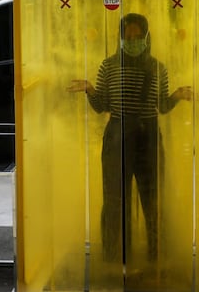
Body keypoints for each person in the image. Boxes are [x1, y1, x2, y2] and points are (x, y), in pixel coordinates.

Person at [67, 13, 192, 264]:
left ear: (147, 37)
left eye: (137, 36)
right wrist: (90, 90)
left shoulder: (157, 67)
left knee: (153, 200)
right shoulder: (109, 65)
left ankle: (156, 259)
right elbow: (102, 106)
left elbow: (163, 106)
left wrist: (177, 95)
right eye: (127, 36)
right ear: (119, 37)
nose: (132, 40)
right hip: (117, 137)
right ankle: (114, 258)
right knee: (114, 201)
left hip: (148, 138)